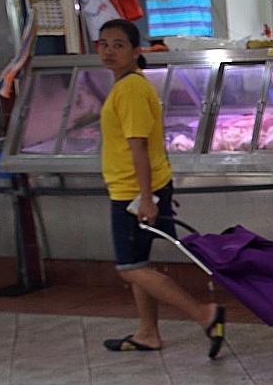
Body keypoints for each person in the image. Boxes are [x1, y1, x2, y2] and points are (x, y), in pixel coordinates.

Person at [96, 19, 224, 357]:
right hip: (144, 190)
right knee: (141, 264)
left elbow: (138, 145)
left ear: (136, 52)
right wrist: (157, 191)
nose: (110, 51)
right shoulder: (126, 85)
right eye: (104, 44)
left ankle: (204, 314)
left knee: (130, 268)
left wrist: (148, 198)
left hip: (132, 195)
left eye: (119, 45)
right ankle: (147, 332)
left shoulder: (131, 89)